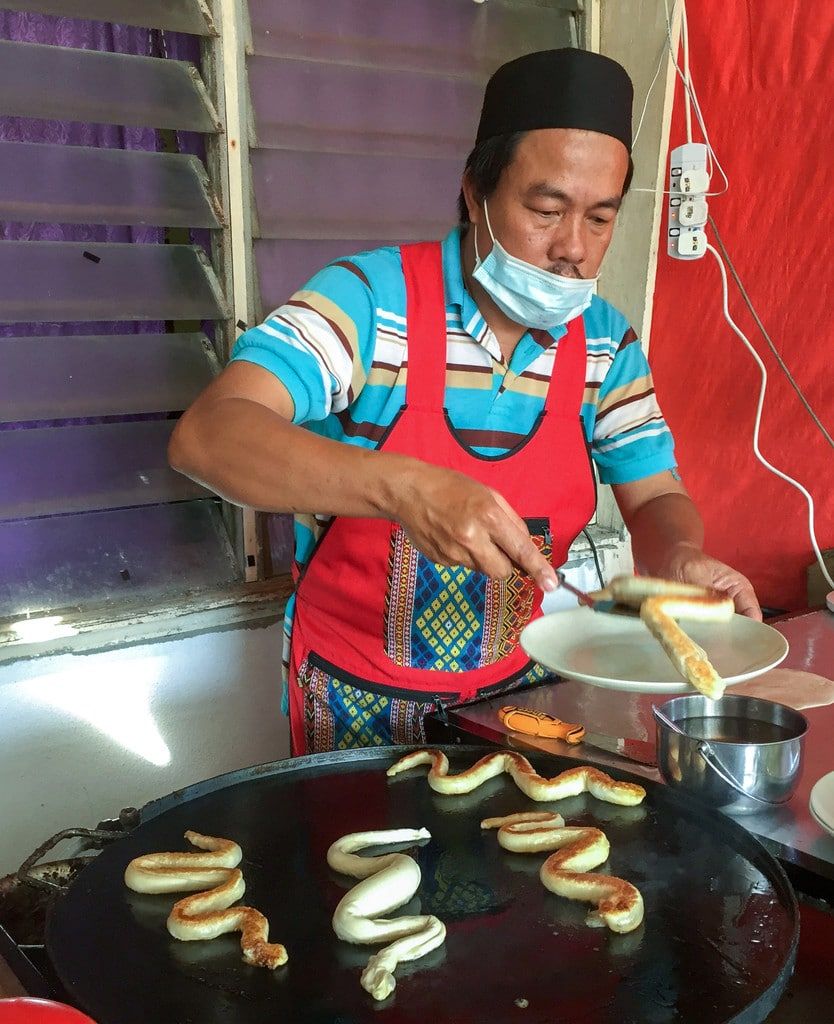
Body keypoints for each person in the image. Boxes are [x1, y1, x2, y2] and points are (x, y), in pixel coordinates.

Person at [169, 48, 760, 756]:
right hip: (357, 704)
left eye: (600, 219)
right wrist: (406, 489)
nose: (572, 247)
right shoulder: (370, 304)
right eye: (546, 209)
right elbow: (208, 435)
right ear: (476, 192)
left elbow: (655, 490)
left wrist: (681, 556)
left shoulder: (606, 345)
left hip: (526, 699)